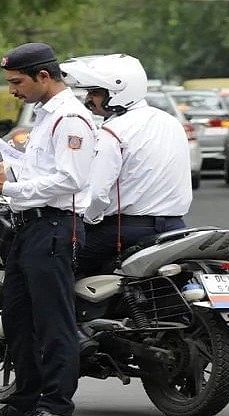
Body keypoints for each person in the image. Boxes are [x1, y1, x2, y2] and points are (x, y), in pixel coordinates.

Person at [0, 42, 96, 416]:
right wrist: (0, 165)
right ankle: (24, 401)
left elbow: (70, 180)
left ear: (44, 76)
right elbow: (36, 167)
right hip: (27, 226)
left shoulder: (72, 119)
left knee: (53, 320)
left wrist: (8, 186)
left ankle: (57, 406)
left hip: (55, 226)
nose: (12, 90)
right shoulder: (45, 117)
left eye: (17, 81)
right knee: (18, 317)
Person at [61, 54, 192, 277]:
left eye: (95, 93)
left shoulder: (114, 131)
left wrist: (88, 219)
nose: (88, 100)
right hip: (175, 228)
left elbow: (97, 194)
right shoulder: (171, 122)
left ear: (117, 92)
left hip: (124, 231)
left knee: (58, 268)